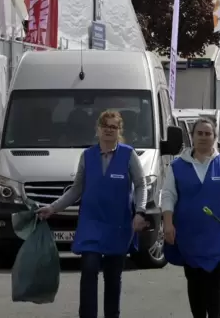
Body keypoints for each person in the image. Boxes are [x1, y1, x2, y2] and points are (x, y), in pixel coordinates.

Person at [37, 110, 148, 318]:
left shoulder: (128, 154)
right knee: (89, 268)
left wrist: (140, 212)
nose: (108, 130)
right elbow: (76, 188)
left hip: (118, 224)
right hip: (91, 223)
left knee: (113, 276)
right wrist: (53, 208)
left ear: (119, 131)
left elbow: (141, 185)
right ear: (97, 129)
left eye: (113, 127)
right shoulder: (87, 156)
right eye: (105, 126)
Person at [162, 117, 220, 318]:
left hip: (218, 235)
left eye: (208, 133)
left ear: (215, 138)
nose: (203, 137)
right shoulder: (177, 166)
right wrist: (167, 224)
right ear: (192, 137)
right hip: (189, 235)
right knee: (195, 280)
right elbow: (168, 196)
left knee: (215, 279)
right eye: (199, 133)